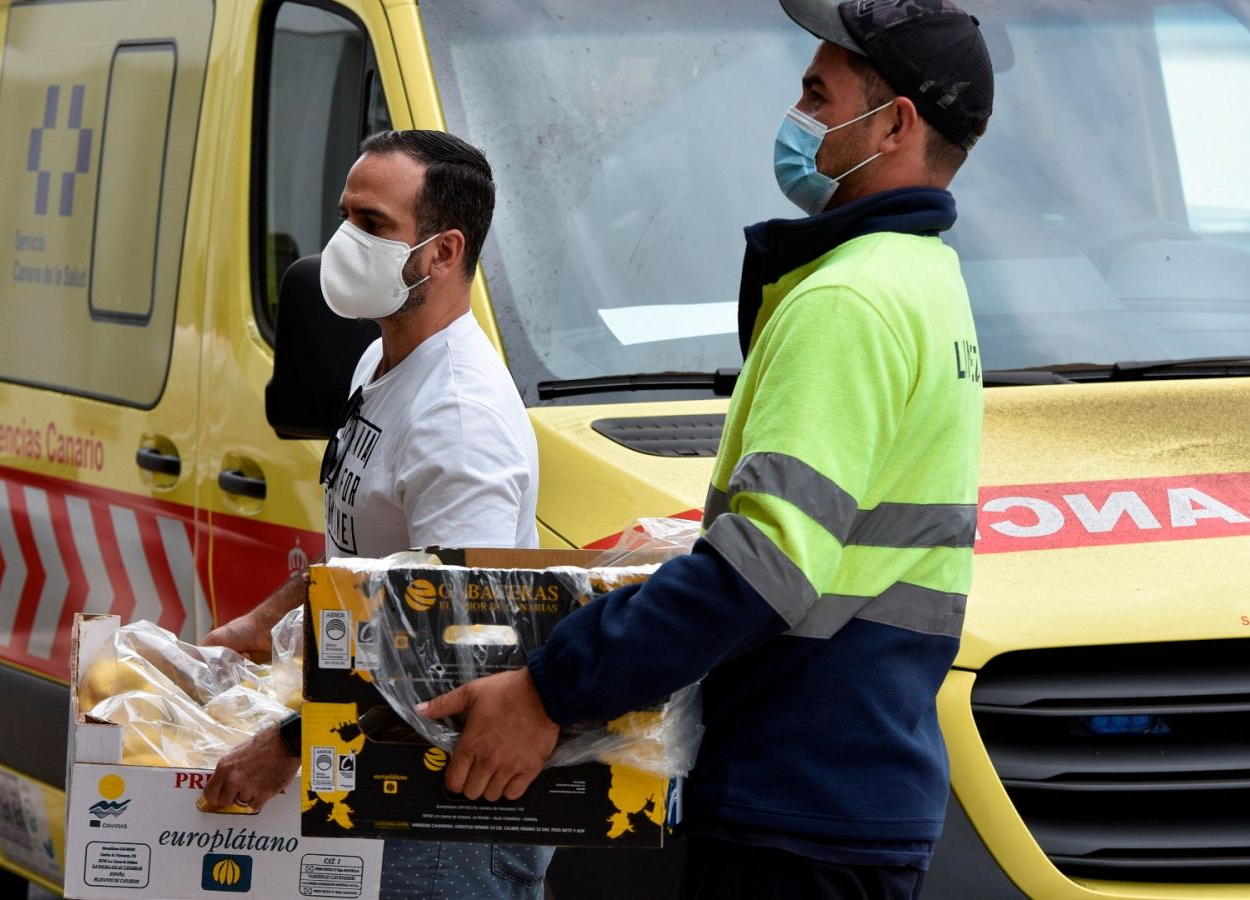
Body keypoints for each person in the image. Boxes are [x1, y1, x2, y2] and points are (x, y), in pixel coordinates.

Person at [418, 2, 993, 897]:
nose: (796, 111)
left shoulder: (848, 302)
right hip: (857, 785)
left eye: (817, 91)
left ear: (895, 124)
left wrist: (546, 690)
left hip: (796, 804)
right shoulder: (927, 280)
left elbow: (761, 570)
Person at [200, 130, 553, 900]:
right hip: (376, 767)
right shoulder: (383, 359)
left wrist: (287, 744)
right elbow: (379, 566)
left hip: (444, 808)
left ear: (442, 251)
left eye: (372, 224)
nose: (342, 243)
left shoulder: (459, 419)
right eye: (343, 216)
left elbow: (446, 639)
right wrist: (264, 620)